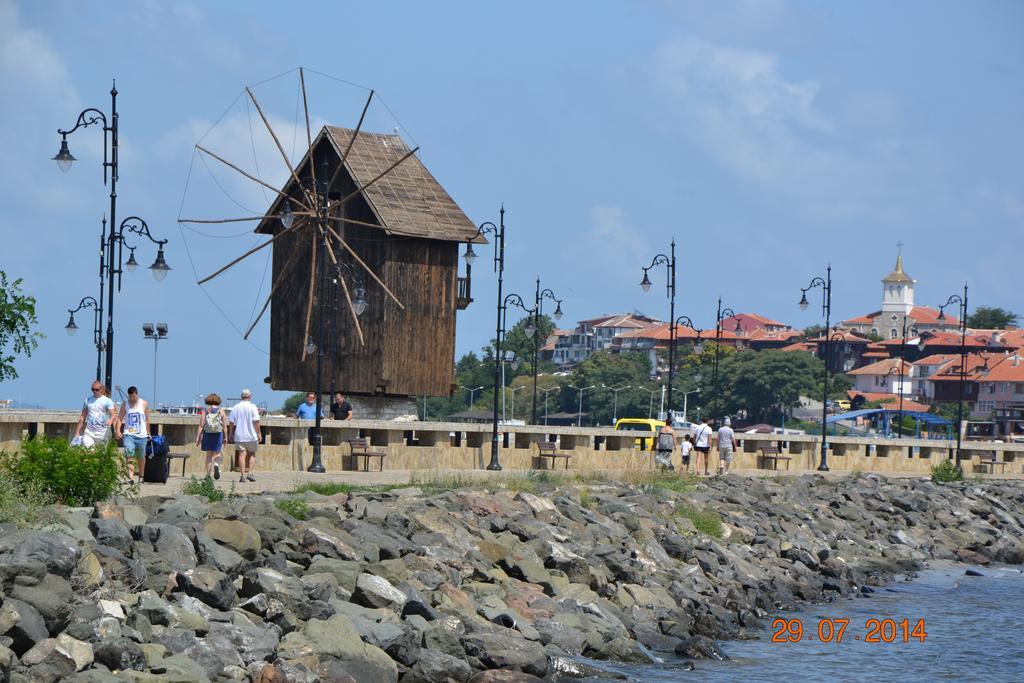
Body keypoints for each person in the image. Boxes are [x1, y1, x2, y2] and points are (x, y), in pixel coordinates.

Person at [114, 386, 149, 480]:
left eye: (133, 396)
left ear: (137, 394)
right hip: (128, 434)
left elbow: (146, 419)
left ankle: (141, 475)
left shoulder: (144, 403)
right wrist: (117, 430)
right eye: (130, 397)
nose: (132, 399)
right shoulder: (125, 404)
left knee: (141, 456)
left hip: (142, 435)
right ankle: (131, 477)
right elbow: (120, 418)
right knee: (129, 454)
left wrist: (148, 433)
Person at [229, 389, 262, 483]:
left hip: (239, 435)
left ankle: (243, 475)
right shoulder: (253, 407)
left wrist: (230, 433)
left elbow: (231, 422)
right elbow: (256, 422)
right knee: (252, 454)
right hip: (251, 435)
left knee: (241, 454)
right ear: (250, 396)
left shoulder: (236, 407)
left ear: (241, 396)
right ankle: (250, 473)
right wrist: (259, 433)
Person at [196, 393, 228, 480]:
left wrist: (198, 437)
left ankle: (208, 475)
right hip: (218, 434)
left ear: (208, 401)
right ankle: (216, 465)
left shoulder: (205, 411)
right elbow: (224, 426)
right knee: (217, 454)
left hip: (207, 434)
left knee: (209, 455)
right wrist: (226, 437)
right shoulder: (221, 411)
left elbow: (201, 425)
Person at [75, 380, 116, 447]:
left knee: (101, 454)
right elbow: (83, 417)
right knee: (88, 451)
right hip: (89, 432)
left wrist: (110, 420)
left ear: (101, 389)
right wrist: (77, 431)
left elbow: (113, 414)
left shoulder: (107, 401)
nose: (94, 391)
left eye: (96, 390)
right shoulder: (88, 400)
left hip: (103, 432)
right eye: (92, 389)